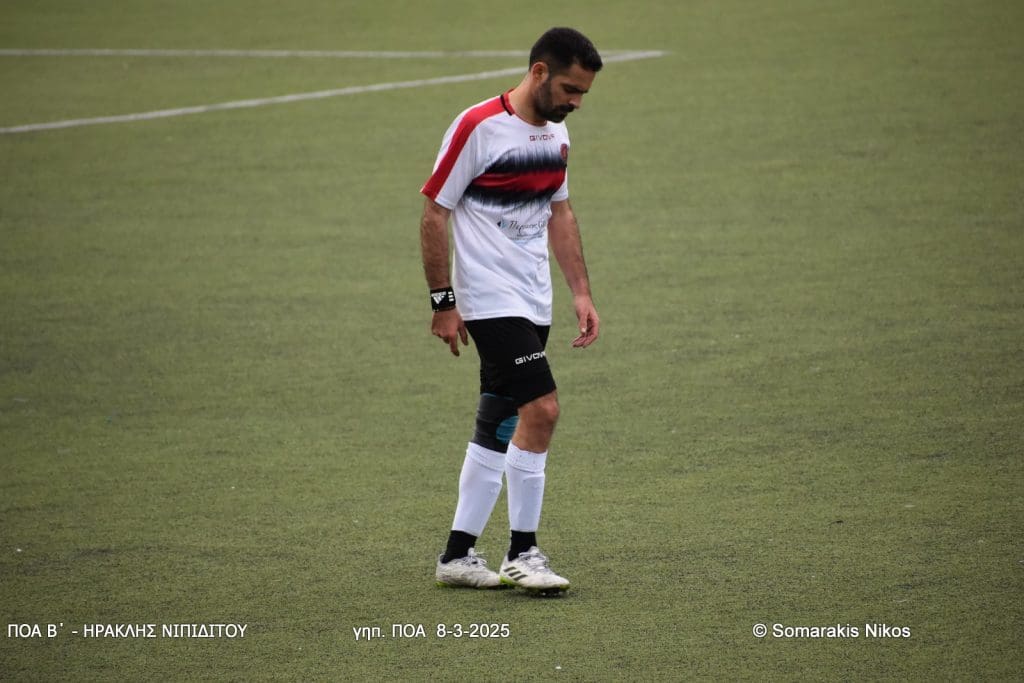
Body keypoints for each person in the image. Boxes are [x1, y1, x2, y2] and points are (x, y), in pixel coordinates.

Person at [420, 27, 603, 594]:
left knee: (499, 419)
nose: (576, 102)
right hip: (488, 298)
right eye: (570, 89)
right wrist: (444, 301)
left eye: (584, 94)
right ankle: (523, 552)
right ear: (539, 72)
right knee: (541, 410)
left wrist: (580, 292)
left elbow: (560, 213)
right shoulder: (477, 126)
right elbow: (434, 213)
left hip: (533, 299)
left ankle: (457, 555)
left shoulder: (556, 133)